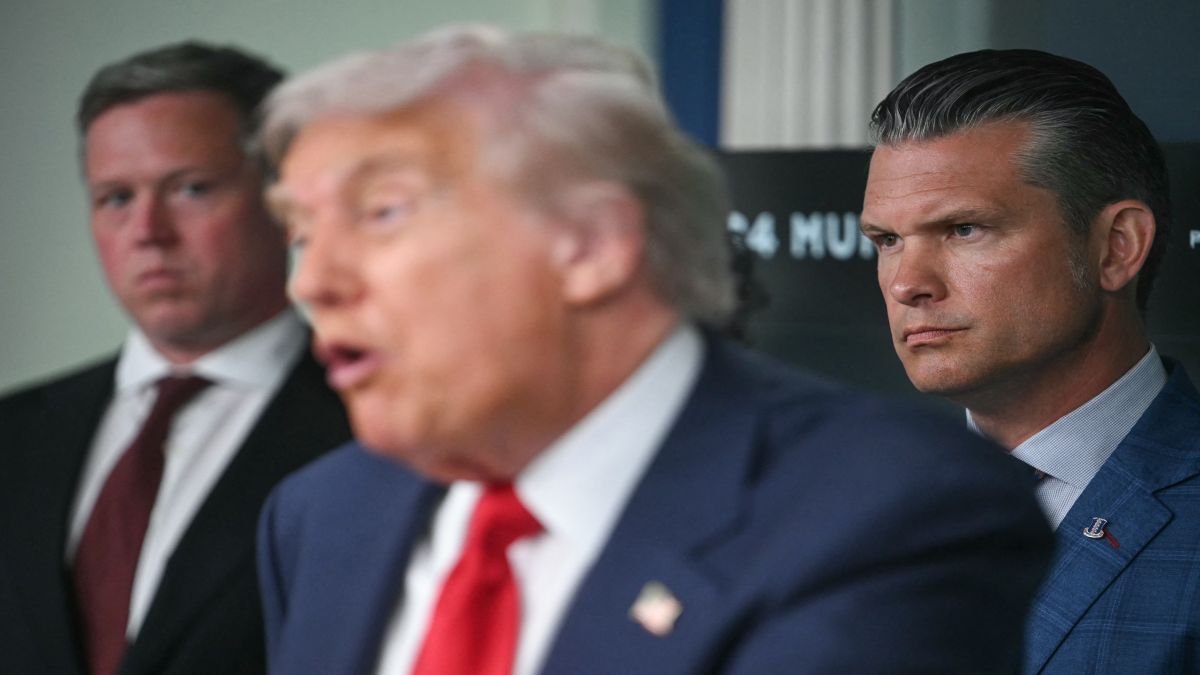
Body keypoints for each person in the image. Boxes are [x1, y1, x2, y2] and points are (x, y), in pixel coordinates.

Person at [256, 26, 1052, 675]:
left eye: (382, 212)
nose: (313, 282)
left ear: (592, 245)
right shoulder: (322, 512)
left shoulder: (886, 511)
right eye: (300, 233)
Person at [0, 42, 351, 675]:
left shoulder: (377, 431)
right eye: (116, 198)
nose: (148, 232)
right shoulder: (13, 434)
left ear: (284, 204)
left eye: (191, 189)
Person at [861, 49, 1200, 674]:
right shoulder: (845, 504)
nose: (907, 283)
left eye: (964, 229)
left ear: (1116, 247)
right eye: (888, 240)